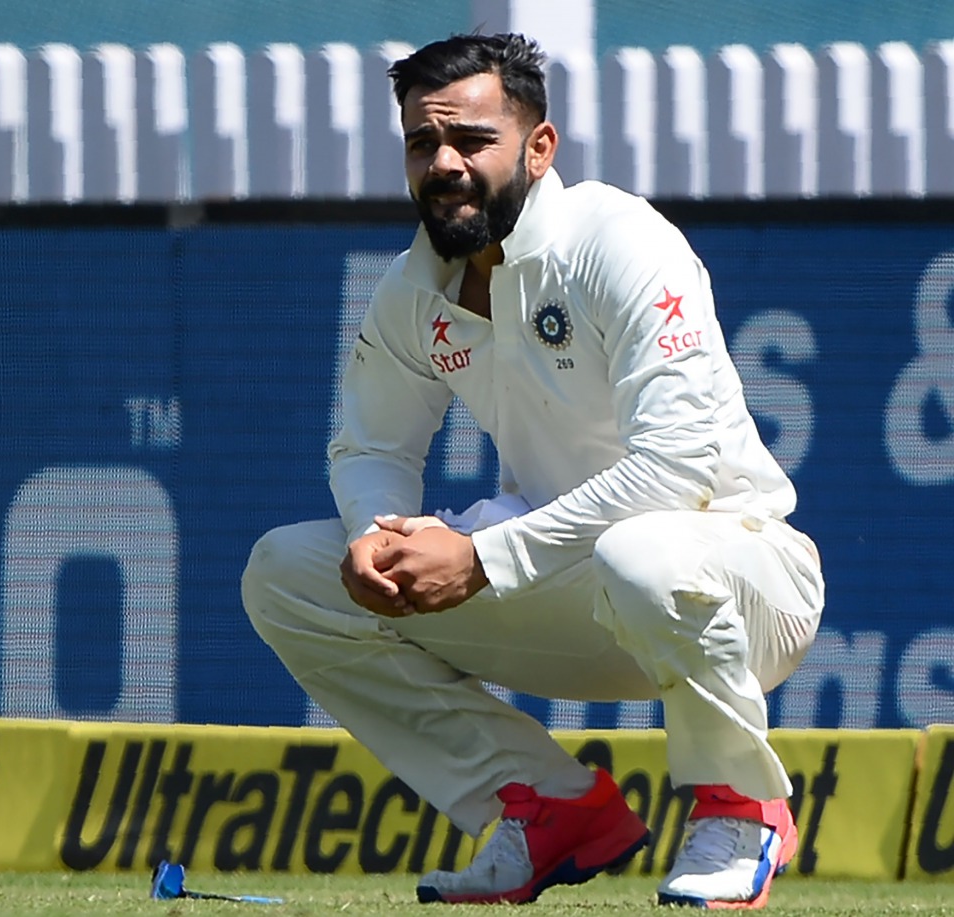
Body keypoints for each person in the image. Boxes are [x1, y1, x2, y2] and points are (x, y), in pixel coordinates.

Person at [242, 32, 824, 909]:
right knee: (288, 574)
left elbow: (674, 467)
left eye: (471, 140)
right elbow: (371, 448)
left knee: (644, 553)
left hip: (743, 582)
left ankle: (743, 805)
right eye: (422, 143)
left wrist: (480, 557)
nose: (444, 164)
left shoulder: (620, 241)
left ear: (539, 147)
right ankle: (549, 806)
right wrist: (374, 533)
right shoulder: (413, 286)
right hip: (569, 587)